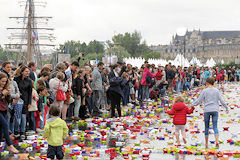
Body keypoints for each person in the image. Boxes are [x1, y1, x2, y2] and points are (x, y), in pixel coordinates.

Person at [192, 77, 229, 148]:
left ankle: (206, 143)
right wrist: (226, 107)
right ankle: (217, 141)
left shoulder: (204, 91)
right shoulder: (216, 91)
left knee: (206, 127)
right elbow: (221, 100)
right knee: (215, 126)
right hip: (215, 110)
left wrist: (192, 105)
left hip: (207, 110)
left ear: (207, 83)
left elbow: (199, 100)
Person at [0, 72, 19, 153]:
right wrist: (1, 94)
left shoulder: (4, 88)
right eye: (2, 81)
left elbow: (8, 101)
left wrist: (8, 95)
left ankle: (1, 145)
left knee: (1, 128)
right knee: (5, 125)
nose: (4, 83)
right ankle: (10, 145)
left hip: (4, 109)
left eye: (5, 81)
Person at [14, 65, 33, 138]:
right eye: (26, 71)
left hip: (25, 99)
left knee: (23, 116)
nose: (28, 73)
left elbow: (30, 92)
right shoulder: (16, 79)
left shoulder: (29, 81)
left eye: (28, 71)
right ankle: (16, 131)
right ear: (22, 72)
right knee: (17, 117)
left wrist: (29, 102)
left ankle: (23, 131)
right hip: (18, 100)